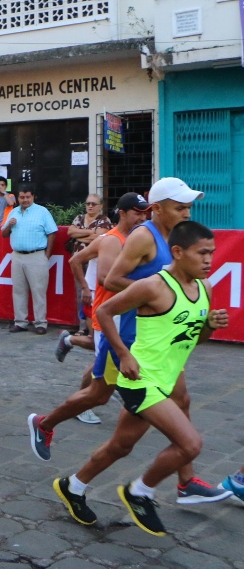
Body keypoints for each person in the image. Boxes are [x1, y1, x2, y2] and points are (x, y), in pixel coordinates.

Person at [52, 221, 232, 535]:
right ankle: (140, 492)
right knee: (190, 444)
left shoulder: (204, 288)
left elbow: (195, 339)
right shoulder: (153, 286)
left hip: (166, 381)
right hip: (140, 381)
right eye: (201, 253)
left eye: (211, 253)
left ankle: (73, 486)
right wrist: (123, 354)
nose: (208, 260)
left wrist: (210, 327)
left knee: (120, 446)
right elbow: (104, 312)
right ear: (178, 252)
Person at [94, 176, 225, 502]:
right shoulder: (144, 236)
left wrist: (175, 299)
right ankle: (46, 425)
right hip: (139, 332)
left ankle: (185, 482)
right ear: (158, 208)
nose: (187, 213)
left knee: (179, 403)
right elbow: (111, 279)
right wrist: (159, 296)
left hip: (166, 337)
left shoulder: (181, 238)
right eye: (180, 207)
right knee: (96, 395)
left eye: (189, 207)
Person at [30, 193, 149, 443]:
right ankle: (81, 404)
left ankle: (71, 343)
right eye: (137, 213)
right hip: (106, 310)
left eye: (144, 213)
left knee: (105, 358)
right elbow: (81, 263)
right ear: (122, 213)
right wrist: (85, 287)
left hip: (125, 312)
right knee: (99, 359)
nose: (142, 218)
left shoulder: (137, 239)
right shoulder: (110, 240)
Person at [2, 184, 57, 334]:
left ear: (33, 197)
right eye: (22, 197)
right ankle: (20, 322)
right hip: (17, 255)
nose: (25, 200)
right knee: (18, 290)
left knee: (38, 291)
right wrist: (9, 225)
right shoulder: (13, 212)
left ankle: (40, 323)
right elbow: (3, 234)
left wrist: (46, 255)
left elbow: (52, 233)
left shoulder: (42, 212)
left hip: (36, 255)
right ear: (17, 197)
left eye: (28, 197)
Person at [66, 194, 112, 335]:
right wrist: (90, 232)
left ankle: (95, 326)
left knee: (93, 294)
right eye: (88, 203)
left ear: (100, 206)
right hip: (78, 264)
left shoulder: (104, 220)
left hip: (94, 264)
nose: (90, 206)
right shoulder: (79, 218)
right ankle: (82, 327)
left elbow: (99, 238)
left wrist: (80, 236)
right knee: (81, 293)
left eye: (93, 204)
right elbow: (70, 232)